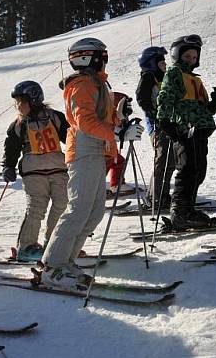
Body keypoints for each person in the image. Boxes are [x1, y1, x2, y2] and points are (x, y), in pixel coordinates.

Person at [38, 38, 142, 290]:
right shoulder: (82, 84)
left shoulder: (98, 83)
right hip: (84, 148)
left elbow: (101, 119)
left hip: (98, 148)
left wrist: (120, 116)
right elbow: (83, 121)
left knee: (93, 211)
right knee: (78, 208)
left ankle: (67, 261)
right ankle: (52, 266)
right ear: (89, 58)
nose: (105, 60)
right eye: (102, 56)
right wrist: (117, 133)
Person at [156, 34, 216, 230]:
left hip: (200, 130)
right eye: (187, 57)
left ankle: (188, 210)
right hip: (186, 129)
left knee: (198, 171)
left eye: (194, 58)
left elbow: (200, 109)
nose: (191, 61)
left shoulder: (193, 79)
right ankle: (181, 213)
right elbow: (166, 98)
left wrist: (215, 104)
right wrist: (165, 122)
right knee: (188, 170)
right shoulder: (175, 74)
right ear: (177, 56)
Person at [1, 81, 69, 261]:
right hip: (33, 172)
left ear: (34, 99)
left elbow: (69, 137)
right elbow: (12, 147)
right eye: (16, 103)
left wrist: (77, 155)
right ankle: (26, 246)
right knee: (36, 208)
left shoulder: (54, 117)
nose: (18, 106)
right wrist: (8, 165)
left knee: (62, 205)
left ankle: (54, 243)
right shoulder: (18, 124)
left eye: (22, 102)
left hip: (58, 169)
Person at [136, 46, 174, 210]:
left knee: (169, 161)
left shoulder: (162, 78)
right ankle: (155, 198)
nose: (165, 64)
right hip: (158, 127)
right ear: (151, 63)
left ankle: (162, 195)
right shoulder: (148, 77)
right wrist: (155, 116)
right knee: (162, 160)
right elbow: (142, 99)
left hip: (167, 125)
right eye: (161, 62)